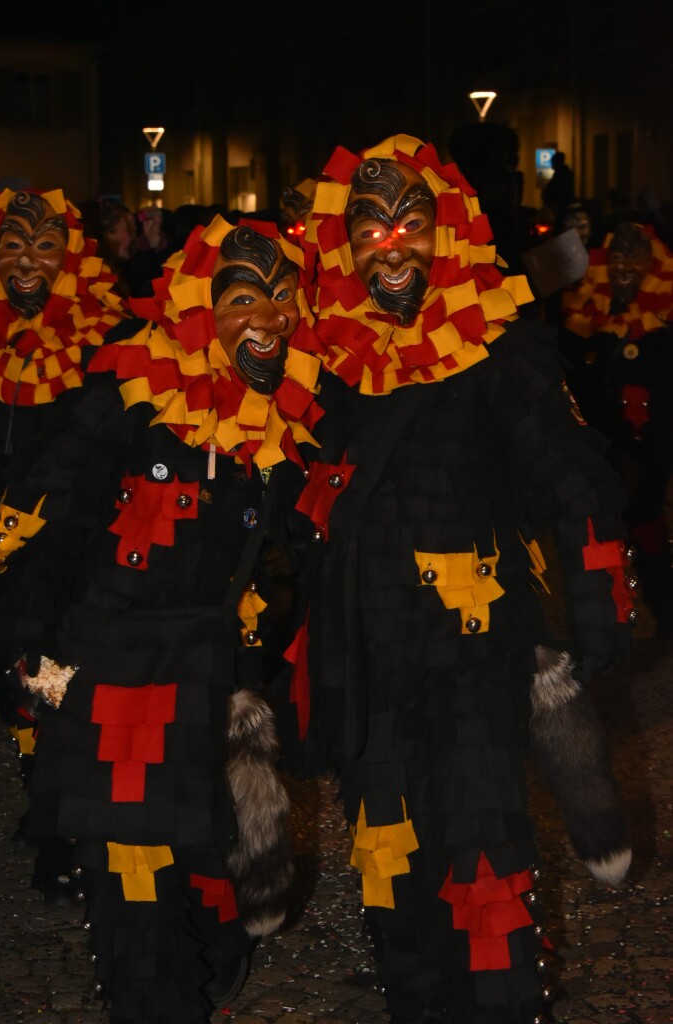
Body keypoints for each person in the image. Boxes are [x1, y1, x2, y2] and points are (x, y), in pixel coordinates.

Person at [292, 135, 634, 1024]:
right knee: (390, 866)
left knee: (481, 859)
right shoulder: (324, 360)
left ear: (444, 237)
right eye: (368, 232)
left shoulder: (497, 347)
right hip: (365, 667)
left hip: (472, 661)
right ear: (346, 248)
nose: (390, 247)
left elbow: (578, 485)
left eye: (408, 227)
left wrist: (596, 621)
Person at [0, 214, 322, 1023]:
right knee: (136, 900)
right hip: (118, 684)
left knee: (214, 881)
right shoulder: (125, 398)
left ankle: (206, 980)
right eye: (244, 298)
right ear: (201, 305)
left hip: (214, 677)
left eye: (284, 298)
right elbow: (45, 528)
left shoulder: (291, 405)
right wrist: (28, 646)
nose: (268, 319)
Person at [0, 186, 126, 829]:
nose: (26, 262)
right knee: (7, 669)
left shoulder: (106, 336)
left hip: (67, 539)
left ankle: (57, 812)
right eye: (12, 244)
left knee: (46, 669)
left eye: (46, 247)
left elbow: (94, 442)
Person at [560, 220, 673, 634]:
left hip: (647, 450)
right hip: (598, 449)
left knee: (645, 527)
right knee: (596, 536)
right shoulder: (587, 318)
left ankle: (662, 608)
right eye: (618, 256)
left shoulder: (665, 324)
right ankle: (606, 621)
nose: (625, 267)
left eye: (637, 257)